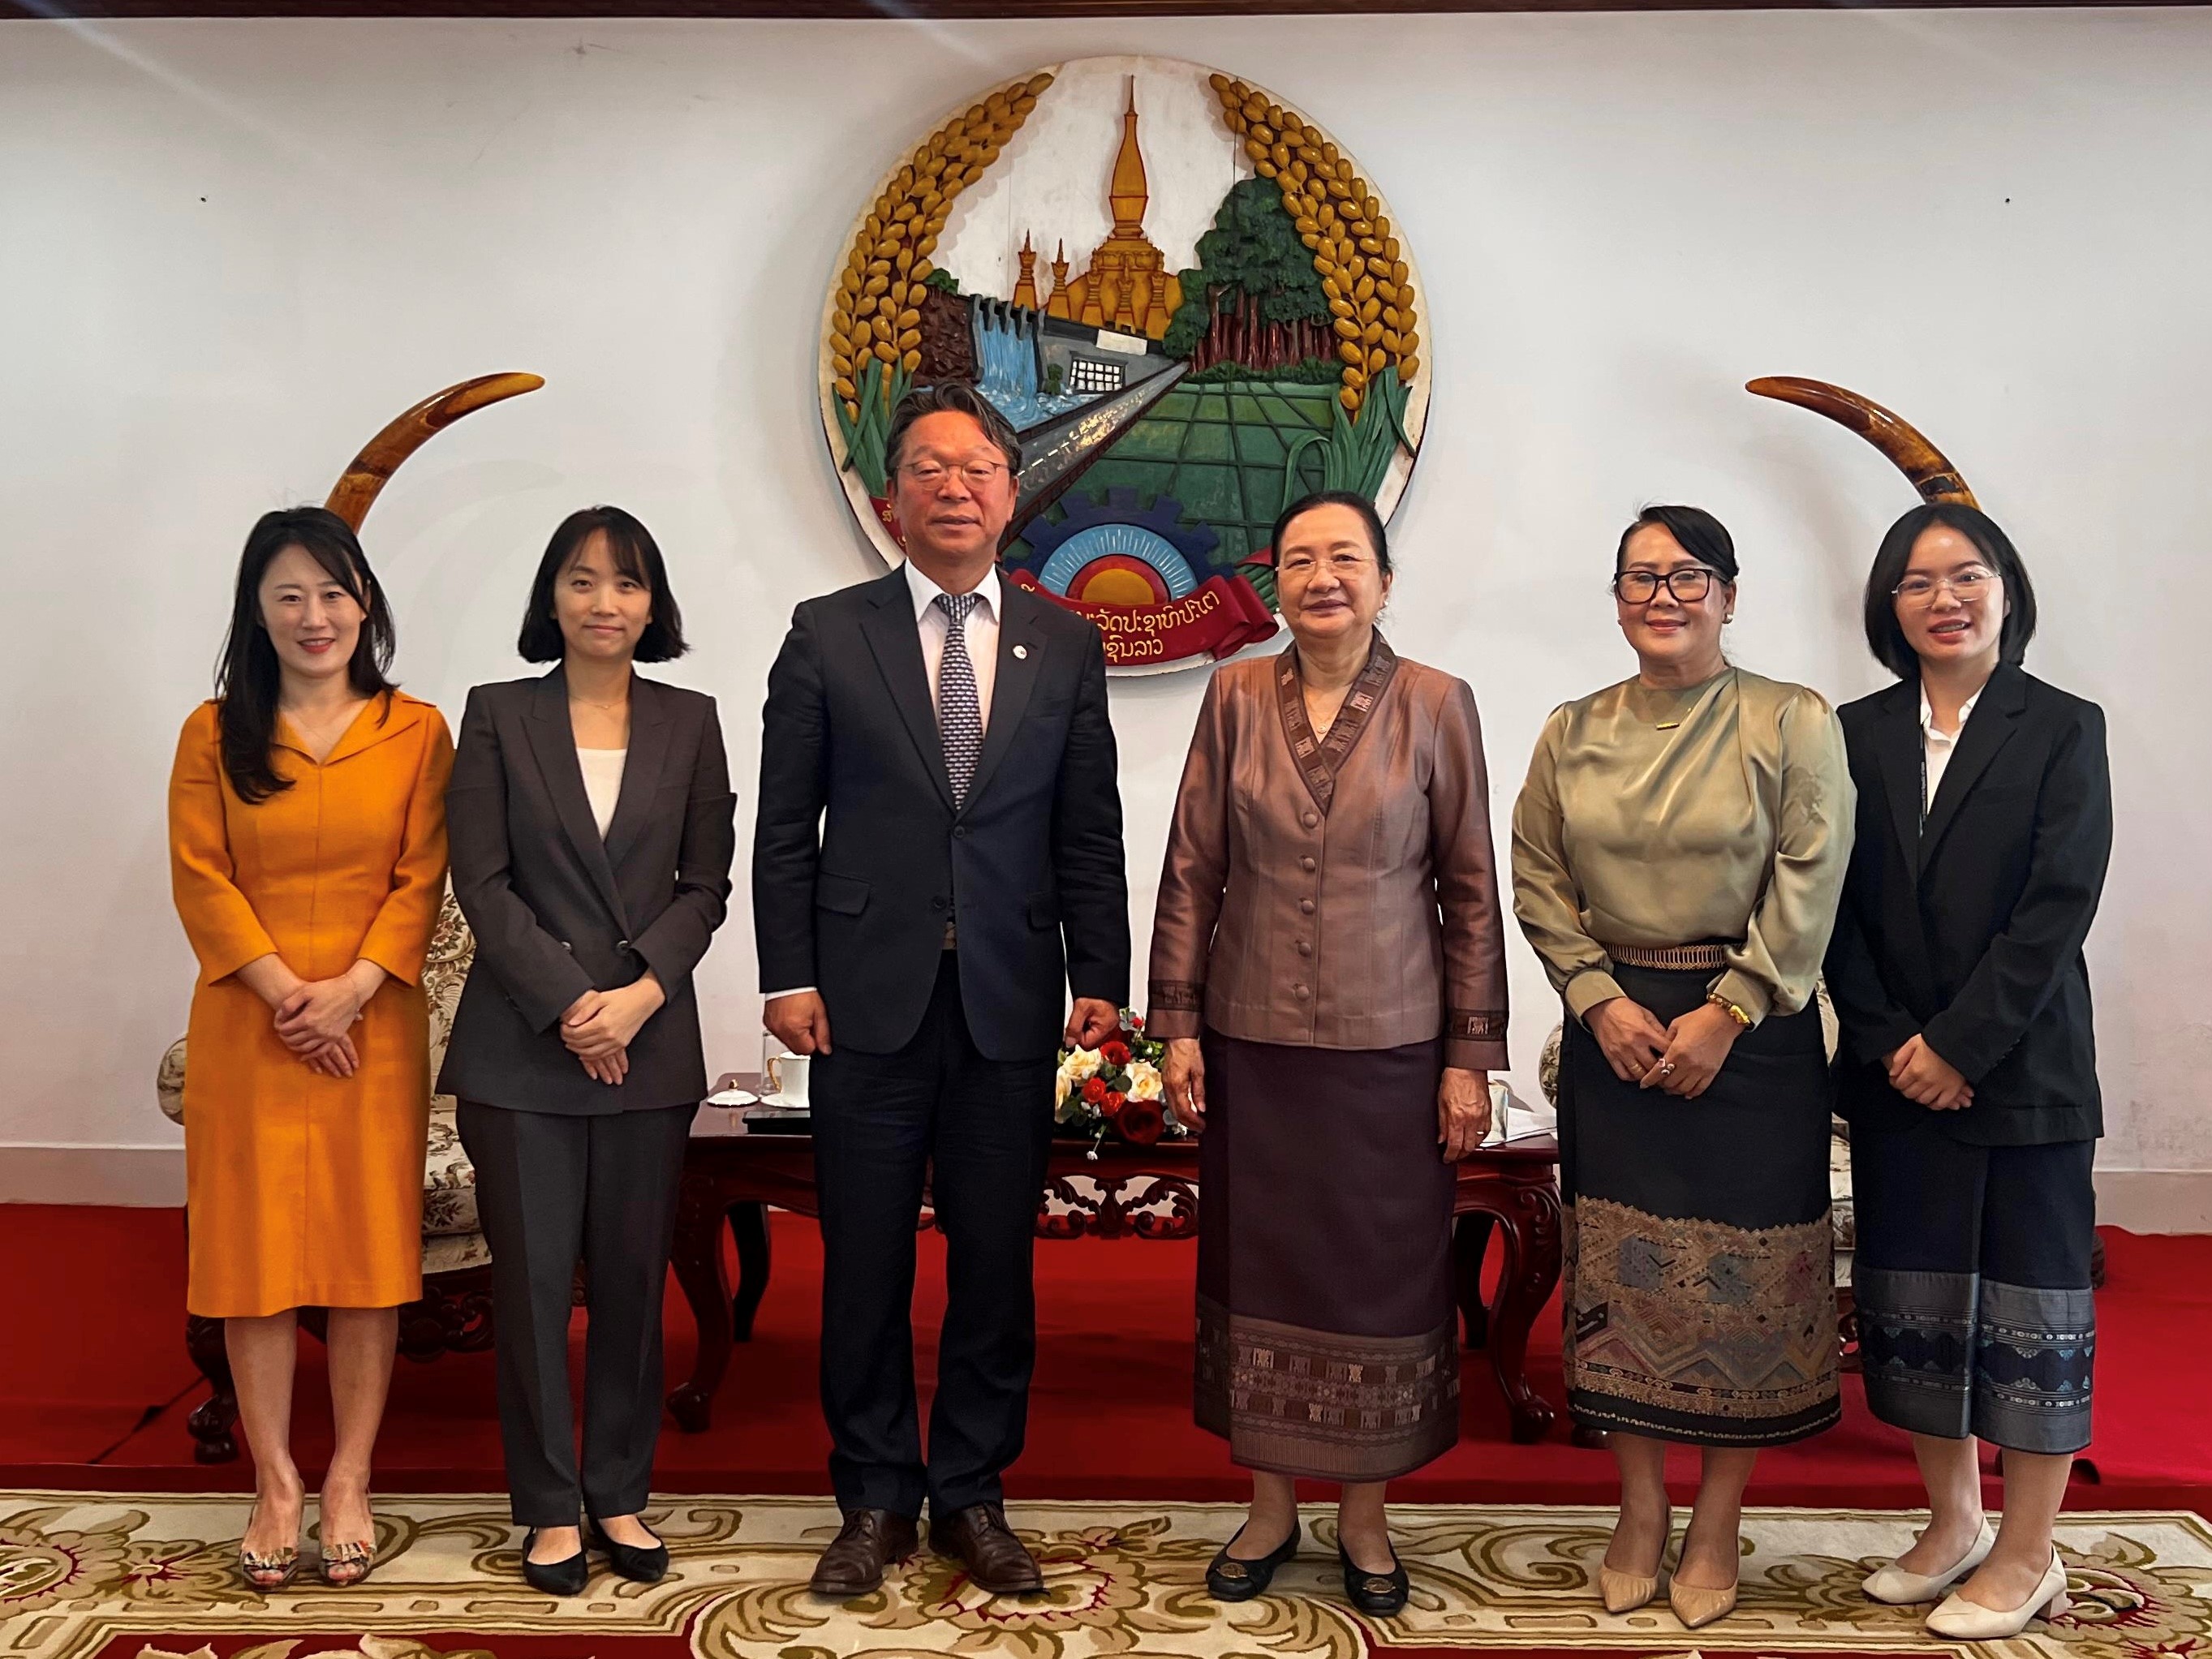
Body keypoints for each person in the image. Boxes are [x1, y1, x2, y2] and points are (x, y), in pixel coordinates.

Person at [755, 382, 1130, 1601]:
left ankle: (971, 1489)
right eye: (930, 468)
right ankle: (871, 1492)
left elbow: (1088, 828)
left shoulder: (1064, 640)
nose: (954, 487)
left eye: (977, 468)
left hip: (1012, 1002)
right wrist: (786, 973)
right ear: (887, 499)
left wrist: (1101, 977)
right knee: (861, 1260)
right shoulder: (826, 631)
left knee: (993, 1265)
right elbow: (784, 830)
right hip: (861, 1000)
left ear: (1013, 495)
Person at [1148, 490, 1509, 1616]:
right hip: (1253, 1042)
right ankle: (1268, 1505)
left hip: (1390, 1053)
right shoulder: (1232, 695)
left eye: (1344, 557)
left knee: (1373, 1282)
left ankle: (1362, 1516)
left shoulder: (1438, 704)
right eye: (1298, 559)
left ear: (1384, 579)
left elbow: (1469, 892)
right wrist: (1176, 1028)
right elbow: (1190, 869)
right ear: (1273, 585)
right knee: (1257, 1270)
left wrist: (1469, 1055)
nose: (1321, 577)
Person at [1510, 505, 1853, 1631]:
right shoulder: (1572, 730)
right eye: (1640, 578)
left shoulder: (1788, 718)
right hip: (1615, 1029)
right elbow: (1536, 874)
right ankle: (1640, 1505)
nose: (1663, 596)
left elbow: (1810, 869)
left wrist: (1732, 1007)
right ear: (1615, 598)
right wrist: (1595, 996)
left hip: (1751, 1033)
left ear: (1729, 594)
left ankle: (1717, 1517)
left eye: (1687, 576)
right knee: (1624, 1278)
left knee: (1746, 1293)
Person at [1824, 503, 2109, 1642]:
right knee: (1917, 1303)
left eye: (1966, 573)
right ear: (1887, 605)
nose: (1943, 596)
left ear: (2004, 590)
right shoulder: (1851, 731)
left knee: (2033, 1311)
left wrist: (1958, 1043)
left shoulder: (2061, 726)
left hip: (2023, 1066)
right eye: (1915, 579)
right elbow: (1832, 904)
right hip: (1896, 1073)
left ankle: (2029, 1551)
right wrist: (1898, 1037)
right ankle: (1952, 1522)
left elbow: (2056, 905)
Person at [441, 506, 734, 1596]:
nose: (602, 601)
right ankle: (547, 1503)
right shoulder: (497, 716)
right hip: (525, 1047)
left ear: (652, 604)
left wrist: (639, 995)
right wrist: (574, 1003)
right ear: (549, 597)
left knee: (628, 1280)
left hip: (649, 1044)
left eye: (624, 582)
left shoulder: (691, 720)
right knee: (527, 1284)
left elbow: (705, 885)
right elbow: (483, 882)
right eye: (580, 579)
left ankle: (618, 1488)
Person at [169, 507, 452, 1590]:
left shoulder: (416, 728)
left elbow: (422, 873)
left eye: (333, 593)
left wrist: (354, 991)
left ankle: (350, 1475)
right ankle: (275, 1478)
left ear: (364, 601)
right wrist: (291, 994)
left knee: (362, 1260)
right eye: (287, 594)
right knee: (255, 1263)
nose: (313, 615)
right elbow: (202, 874)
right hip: (252, 1026)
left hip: (372, 1030)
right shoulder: (214, 730)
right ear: (256, 609)